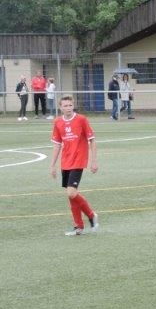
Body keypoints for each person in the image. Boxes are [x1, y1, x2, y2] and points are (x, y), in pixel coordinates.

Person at [49, 95, 98, 236]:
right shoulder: (58, 122)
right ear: (60, 107)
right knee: (71, 195)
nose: (68, 108)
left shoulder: (81, 119)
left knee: (71, 192)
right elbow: (57, 145)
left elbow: (92, 140)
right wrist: (52, 165)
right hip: (66, 162)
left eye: (70, 105)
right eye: (65, 106)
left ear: (73, 105)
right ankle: (79, 227)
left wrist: (94, 161)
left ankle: (91, 215)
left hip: (78, 160)